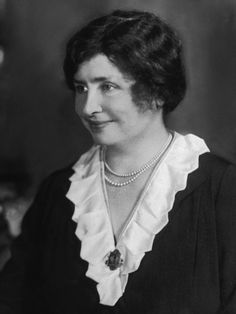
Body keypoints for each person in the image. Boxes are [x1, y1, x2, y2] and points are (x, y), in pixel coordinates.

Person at [0, 9, 236, 314]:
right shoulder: (58, 192)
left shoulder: (222, 189)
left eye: (107, 87)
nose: (88, 106)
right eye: (81, 88)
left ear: (156, 90)